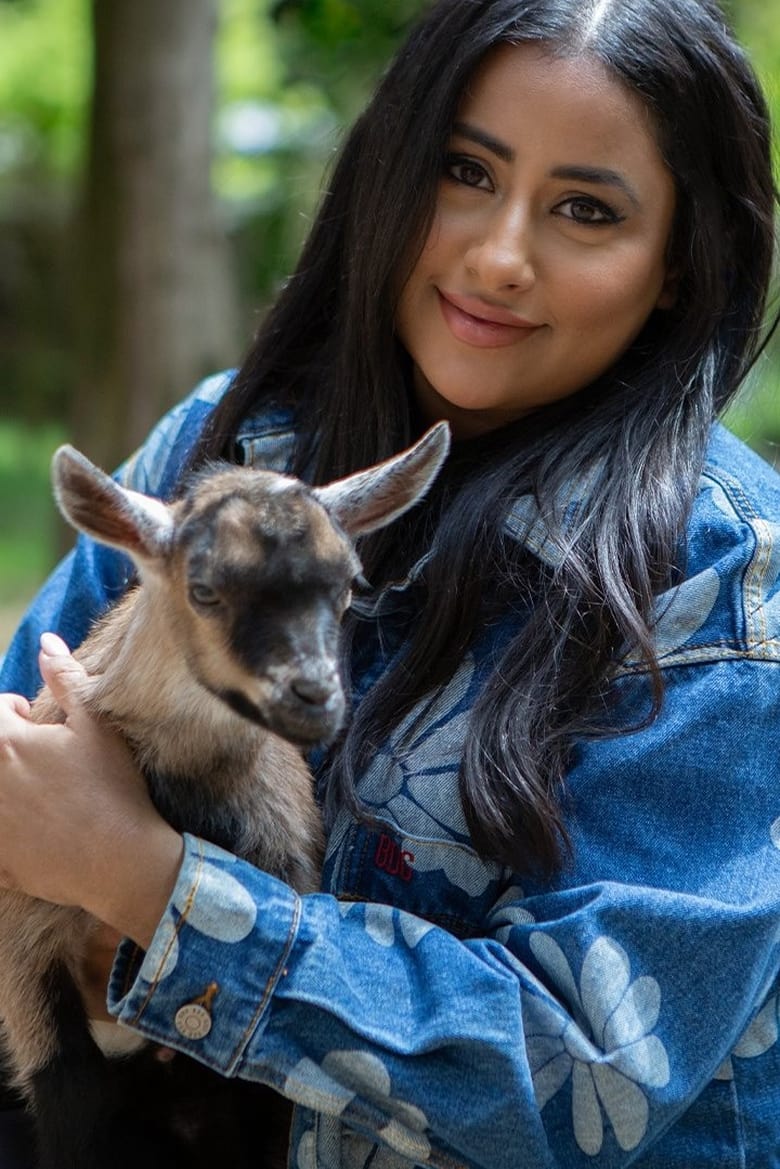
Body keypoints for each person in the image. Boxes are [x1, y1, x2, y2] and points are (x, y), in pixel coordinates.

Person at [0, 0, 779, 1163]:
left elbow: (588, 1067)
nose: (499, 255)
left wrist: (147, 883)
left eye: (585, 209)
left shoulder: (726, 585)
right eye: (465, 170)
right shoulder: (231, 447)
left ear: (677, 266)